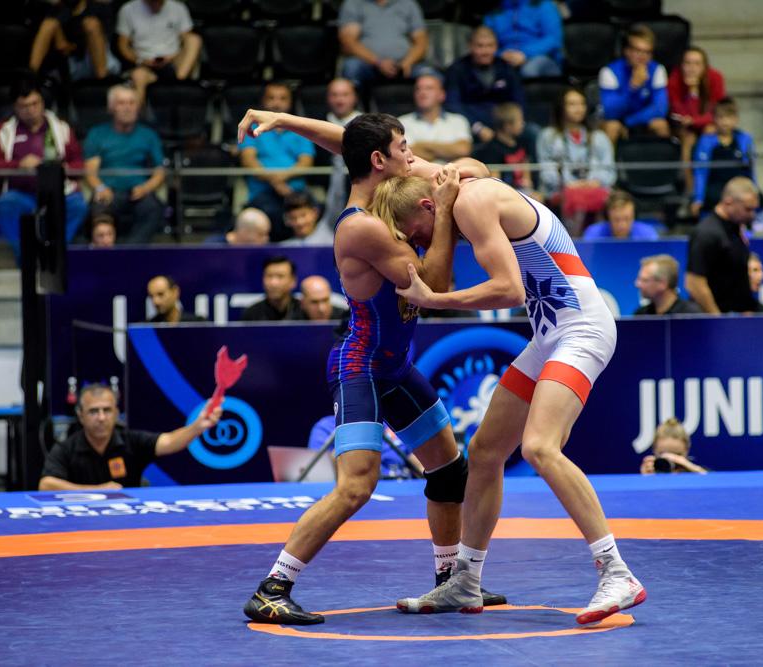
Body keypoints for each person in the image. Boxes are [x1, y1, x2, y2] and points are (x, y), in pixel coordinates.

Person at [236, 110, 502, 625]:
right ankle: (272, 588)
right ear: (379, 161)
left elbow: (355, 143)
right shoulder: (363, 228)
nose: (412, 156)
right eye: (403, 148)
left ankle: (450, 581)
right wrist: (446, 211)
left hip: (394, 367)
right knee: (357, 485)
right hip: (359, 367)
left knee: (449, 471)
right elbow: (435, 289)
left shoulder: (383, 185)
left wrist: (283, 120)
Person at [372, 167, 646, 627]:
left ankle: (617, 572)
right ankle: (465, 580)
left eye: (414, 233)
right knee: (484, 452)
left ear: (428, 206)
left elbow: (509, 289)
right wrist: (288, 127)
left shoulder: (470, 201)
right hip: (550, 334)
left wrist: (434, 300)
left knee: (540, 447)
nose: (418, 245)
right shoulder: (454, 186)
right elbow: (381, 154)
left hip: (581, 328)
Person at [39, 383, 222, 490]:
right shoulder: (67, 448)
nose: (101, 417)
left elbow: (168, 442)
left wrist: (198, 426)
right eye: (94, 411)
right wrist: (97, 492)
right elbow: (46, 484)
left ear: (116, 413)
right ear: (81, 416)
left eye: (107, 410)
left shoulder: (131, 442)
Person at [0, 79, 88, 263]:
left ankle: (56, 256)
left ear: (42, 102)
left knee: (78, 205)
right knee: (4, 205)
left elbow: (79, 164)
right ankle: (26, 259)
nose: (30, 110)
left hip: (59, 194)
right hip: (20, 194)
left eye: (35, 104)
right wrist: (19, 165)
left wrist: (65, 169)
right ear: (14, 107)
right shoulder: (2, 131)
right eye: (24, 106)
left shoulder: (61, 128)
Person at [83, 84, 166, 244]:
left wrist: (146, 188)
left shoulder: (149, 135)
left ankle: (131, 253)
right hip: (108, 192)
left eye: (131, 103)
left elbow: (160, 171)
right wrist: (101, 188)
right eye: (121, 103)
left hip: (139, 193)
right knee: (99, 213)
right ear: (111, 107)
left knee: (154, 208)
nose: (127, 108)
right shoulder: (97, 134)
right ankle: (105, 253)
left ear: (138, 107)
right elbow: (90, 171)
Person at [240, 82, 316, 242]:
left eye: (282, 98)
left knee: (317, 209)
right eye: (271, 98)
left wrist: (279, 178)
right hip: (262, 193)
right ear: (263, 100)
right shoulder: (250, 126)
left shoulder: (301, 126)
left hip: (296, 192)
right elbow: (249, 161)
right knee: (271, 214)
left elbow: (306, 162)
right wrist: (276, 183)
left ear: (290, 102)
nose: (277, 103)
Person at [536, 87, 616, 236]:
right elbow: (546, 170)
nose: (578, 108)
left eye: (581, 103)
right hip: (562, 189)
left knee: (609, 198)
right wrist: (568, 183)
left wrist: (595, 182)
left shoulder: (599, 137)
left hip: (595, 187)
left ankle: (598, 240)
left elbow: (609, 170)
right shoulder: (549, 136)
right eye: (572, 104)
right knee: (576, 198)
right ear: (562, 107)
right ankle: (573, 241)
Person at [685, 177, 762, 314]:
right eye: (747, 209)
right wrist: (718, 319)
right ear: (728, 202)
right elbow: (694, 283)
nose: (752, 215)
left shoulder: (735, 228)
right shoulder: (707, 233)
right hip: (719, 318)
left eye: (754, 210)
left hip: (737, 316)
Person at [444, 25, 526, 144]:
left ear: (496, 47)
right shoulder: (456, 70)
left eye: (489, 46)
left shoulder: (507, 69)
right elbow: (453, 106)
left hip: (505, 126)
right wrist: (477, 128)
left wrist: (511, 125)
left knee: (531, 133)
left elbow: (519, 102)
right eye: (480, 46)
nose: (485, 52)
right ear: (470, 47)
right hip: (469, 127)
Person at [115, 0, 202, 104]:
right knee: (138, 75)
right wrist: (141, 61)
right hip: (145, 64)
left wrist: (172, 58)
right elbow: (122, 46)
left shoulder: (178, 8)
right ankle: (139, 112)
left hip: (174, 61)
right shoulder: (128, 9)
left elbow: (186, 38)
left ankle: (178, 85)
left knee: (194, 40)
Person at [337, 0, 434, 89]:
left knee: (433, 77)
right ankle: (352, 103)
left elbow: (421, 42)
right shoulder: (354, 3)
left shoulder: (408, 3)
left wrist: (407, 63)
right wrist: (378, 62)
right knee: (351, 67)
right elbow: (348, 42)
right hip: (368, 65)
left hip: (406, 65)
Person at [598, 25, 671, 145]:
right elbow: (610, 112)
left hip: (638, 120)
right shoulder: (609, 72)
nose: (642, 56)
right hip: (616, 121)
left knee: (660, 125)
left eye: (647, 52)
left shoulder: (657, 70)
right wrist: (632, 88)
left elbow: (660, 108)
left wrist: (629, 122)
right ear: (626, 51)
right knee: (612, 126)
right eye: (638, 51)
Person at [667, 46, 726, 193]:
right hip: (683, 129)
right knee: (688, 138)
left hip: (707, 125)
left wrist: (695, 120)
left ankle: (710, 184)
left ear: (704, 66)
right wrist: (692, 93)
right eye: (687, 63)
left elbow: (718, 112)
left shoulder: (715, 78)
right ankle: (690, 187)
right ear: (681, 65)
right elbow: (677, 113)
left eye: (697, 64)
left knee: (709, 131)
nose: (692, 68)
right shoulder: (675, 79)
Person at [690, 98, 758, 217]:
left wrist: (754, 193)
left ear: (736, 118)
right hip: (715, 189)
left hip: (738, 189)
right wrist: (698, 199)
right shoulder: (705, 141)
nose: (725, 121)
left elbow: (750, 171)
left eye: (729, 117)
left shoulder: (745, 139)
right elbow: (700, 172)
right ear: (715, 119)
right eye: (721, 117)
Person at [29, 0, 121, 82]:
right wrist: (64, 46)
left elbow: (106, 39)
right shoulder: (57, 10)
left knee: (90, 24)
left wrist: (74, 47)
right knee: (49, 24)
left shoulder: (98, 7)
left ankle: (102, 82)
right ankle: (29, 77)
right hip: (71, 62)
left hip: (98, 58)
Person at [397, 75, 473, 164]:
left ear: (442, 95)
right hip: (416, 173)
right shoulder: (401, 122)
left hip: (453, 172)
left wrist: (421, 145)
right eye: (418, 89)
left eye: (429, 88)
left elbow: (463, 150)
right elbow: (403, 153)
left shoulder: (458, 121)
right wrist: (447, 152)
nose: (422, 93)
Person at [482, 0, 564, 79]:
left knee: (529, 70)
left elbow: (554, 39)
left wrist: (524, 54)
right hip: (505, 59)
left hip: (541, 57)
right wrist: (501, 54)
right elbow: (483, 42)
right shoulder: (494, 13)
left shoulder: (543, 5)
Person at [321, 78, 363, 230]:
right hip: (324, 185)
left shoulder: (368, 125)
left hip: (360, 185)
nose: (339, 100)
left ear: (354, 97)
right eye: (335, 95)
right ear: (327, 98)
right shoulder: (316, 123)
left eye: (345, 95)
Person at [472, 103, 539, 196]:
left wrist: (527, 181)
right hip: (504, 192)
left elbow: (525, 164)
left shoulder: (522, 142)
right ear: (508, 126)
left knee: (537, 197)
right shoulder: (493, 149)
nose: (523, 124)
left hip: (522, 190)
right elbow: (495, 180)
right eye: (519, 121)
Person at [633, 254, 702, 315]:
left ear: (662, 284)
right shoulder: (641, 314)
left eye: (644, 280)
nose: (637, 284)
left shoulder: (690, 315)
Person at [239, 256, 301, 322]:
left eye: (280, 276)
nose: (273, 283)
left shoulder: (303, 311)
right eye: (269, 276)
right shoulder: (251, 314)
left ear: (293, 281)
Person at [582, 190, 659, 240]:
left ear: (633, 215)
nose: (622, 225)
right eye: (616, 219)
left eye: (627, 218)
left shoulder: (648, 234)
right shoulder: (594, 234)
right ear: (608, 217)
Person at [639, 418, 707, 475]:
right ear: (654, 450)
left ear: (687, 450)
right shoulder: (650, 475)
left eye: (677, 455)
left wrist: (695, 470)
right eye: (664, 454)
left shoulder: (696, 474)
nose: (671, 459)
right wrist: (646, 480)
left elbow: (709, 481)